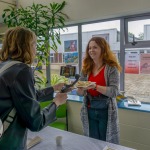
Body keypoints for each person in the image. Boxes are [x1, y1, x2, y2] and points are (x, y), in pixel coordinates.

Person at [0, 27, 68, 149]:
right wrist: (56, 103)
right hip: (9, 142)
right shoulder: (22, 71)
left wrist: (53, 88)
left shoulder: (4, 67)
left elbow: (23, 98)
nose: (35, 49)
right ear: (25, 46)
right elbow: (36, 122)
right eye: (34, 45)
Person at [76, 37, 121, 144]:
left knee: (106, 142)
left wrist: (95, 86)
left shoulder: (111, 68)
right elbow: (80, 93)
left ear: (103, 49)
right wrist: (79, 89)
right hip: (89, 110)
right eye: (89, 48)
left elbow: (114, 91)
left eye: (95, 47)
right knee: (92, 142)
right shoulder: (86, 68)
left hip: (106, 111)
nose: (91, 50)